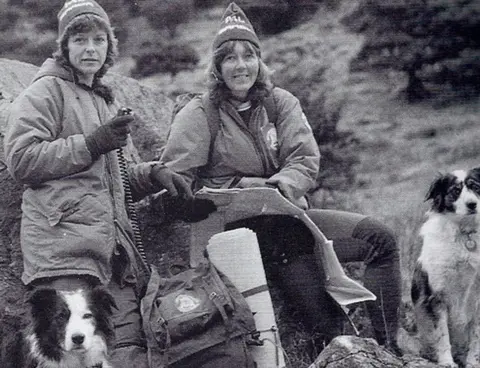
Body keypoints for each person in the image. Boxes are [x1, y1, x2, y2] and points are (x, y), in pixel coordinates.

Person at [160, 1, 402, 359]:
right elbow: (176, 179)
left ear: (259, 60)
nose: (241, 65)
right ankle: (338, 347)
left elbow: (304, 159)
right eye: (229, 58)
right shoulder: (199, 114)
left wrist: (278, 185)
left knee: (380, 239)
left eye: (248, 55)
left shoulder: (280, 103)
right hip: (235, 232)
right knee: (324, 322)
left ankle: (387, 347)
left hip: (290, 216)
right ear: (217, 67)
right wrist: (231, 191)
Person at [3, 1, 192, 367]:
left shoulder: (99, 98)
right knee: (65, 359)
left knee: (127, 352)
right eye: (79, 39)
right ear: (64, 46)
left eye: (98, 39)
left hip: (107, 256)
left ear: (109, 47)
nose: (90, 48)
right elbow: (22, 161)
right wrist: (92, 143)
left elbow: (109, 182)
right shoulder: (45, 93)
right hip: (63, 254)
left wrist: (152, 175)